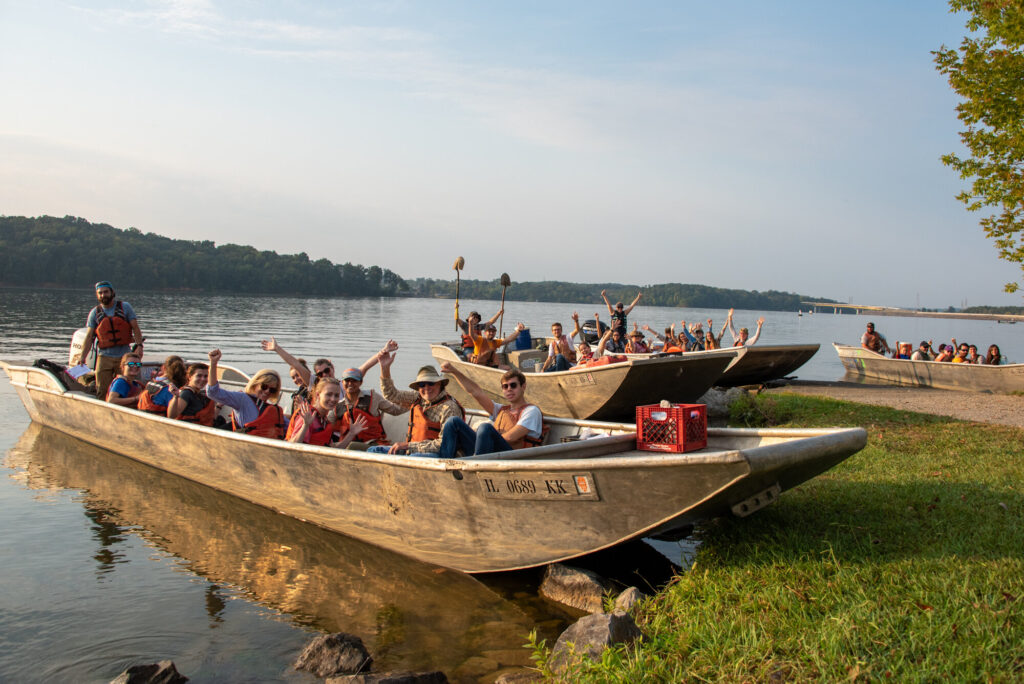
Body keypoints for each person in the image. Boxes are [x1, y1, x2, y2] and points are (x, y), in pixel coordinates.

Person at [437, 363, 544, 458]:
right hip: (488, 452)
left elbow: (511, 437)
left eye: (513, 385)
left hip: (512, 458)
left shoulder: (531, 411)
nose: (509, 389)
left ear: (523, 387)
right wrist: (454, 371)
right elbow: (475, 392)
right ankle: (445, 463)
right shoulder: (501, 410)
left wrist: (484, 438)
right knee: (453, 422)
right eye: (505, 386)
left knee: (485, 428)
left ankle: (477, 465)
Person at [369, 350, 464, 455]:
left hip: (437, 455)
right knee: (373, 450)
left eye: (431, 383)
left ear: (440, 384)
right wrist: (385, 368)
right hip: (412, 450)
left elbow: (442, 444)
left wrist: (407, 445)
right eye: (422, 384)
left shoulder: (449, 408)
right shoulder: (417, 397)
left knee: (414, 456)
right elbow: (391, 394)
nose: (426, 388)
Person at [74, 281, 145, 399]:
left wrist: (139, 346)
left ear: (112, 292)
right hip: (104, 356)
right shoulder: (94, 313)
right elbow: (89, 337)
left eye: (106, 292)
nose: (103, 295)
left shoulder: (125, 307)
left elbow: (135, 328)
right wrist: (82, 357)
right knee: (102, 389)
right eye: (100, 293)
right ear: (97, 295)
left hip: (123, 356)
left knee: (127, 387)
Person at [206, 349, 286, 439]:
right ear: (255, 384)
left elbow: (289, 427)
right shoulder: (242, 399)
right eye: (264, 386)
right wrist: (213, 363)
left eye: (272, 390)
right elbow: (213, 392)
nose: (267, 391)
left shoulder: (274, 411)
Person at [336, 363, 407, 448]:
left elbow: (395, 410)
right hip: (348, 445)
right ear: (342, 382)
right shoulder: (338, 406)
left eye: (354, 380)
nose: (350, 383)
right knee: (348, 446)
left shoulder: (372, 396)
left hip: (373, 444)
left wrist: (413, 404)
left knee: (352, 446)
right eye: (347, 381)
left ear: (361, 382)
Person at [286, 377, 367, 448]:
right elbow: (291, 447)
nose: (333, 399)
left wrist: (351, 434)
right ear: (318, 395)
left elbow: (331, 450)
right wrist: (305, 425)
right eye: (329, 394)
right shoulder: (307, 415)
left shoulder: (324, 419)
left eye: (336, 395)